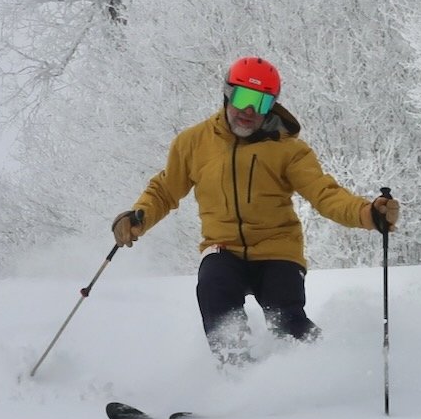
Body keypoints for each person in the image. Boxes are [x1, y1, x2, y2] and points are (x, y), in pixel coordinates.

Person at [111, 56, 400, 367]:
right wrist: (139, 216)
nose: (249, 111)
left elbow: (324, 193)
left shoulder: (289, 150)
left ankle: (329, 369)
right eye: (244, 98)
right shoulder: (193, 143)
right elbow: (165, 190)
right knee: (214, 289)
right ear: (227, 94)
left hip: (277, 249)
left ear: (271, 106)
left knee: (285, 317)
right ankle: (239, 378)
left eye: (261, 102)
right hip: (223, 248)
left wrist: (367, 214)